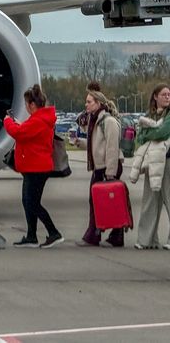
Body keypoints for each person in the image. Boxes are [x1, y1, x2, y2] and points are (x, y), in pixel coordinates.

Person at [3, 84, 62, 248]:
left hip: (37, 168)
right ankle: (31, 235)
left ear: (32, 105)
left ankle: (53, 232)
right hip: (33, 167)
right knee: (28, 201)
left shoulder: (39, 120)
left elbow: (19, 133)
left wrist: (7, 121)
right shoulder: (40, 119)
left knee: (32, 203)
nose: (26, 107)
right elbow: (26, 131)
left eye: (26, 104)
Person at [69, 89, 124, 247]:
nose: (86, 105)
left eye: (89, 102)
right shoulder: (96, 121)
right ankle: (116, 235)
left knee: (96, 201)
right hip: (101, 167)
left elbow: (112, 148)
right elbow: (98, 146)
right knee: (105, 202)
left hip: (107, 167)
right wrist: (80, 143)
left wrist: (110, 172)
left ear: (98, 103)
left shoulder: (109, 122)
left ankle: (94, 235)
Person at [132, 84, 170, 250]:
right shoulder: (150, 115)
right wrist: (147, 132)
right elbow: (140, 135)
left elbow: (162, 132)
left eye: (169, 94)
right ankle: (147, 239)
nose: (167, 97)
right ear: (155, 97)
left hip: (167, 161)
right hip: (152, 162)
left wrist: (148, 132)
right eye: (164, 94)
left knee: (169, 199)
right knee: (150, 200)